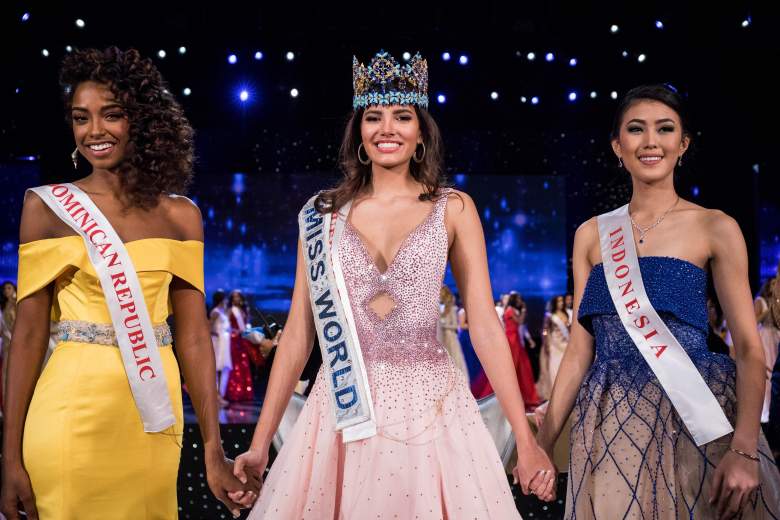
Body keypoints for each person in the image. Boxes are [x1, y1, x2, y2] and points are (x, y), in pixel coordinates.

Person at [230, 51, 556, 518]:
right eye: (374, 117)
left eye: (402, 116)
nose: (387, 128)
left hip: (432, 412)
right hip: (341, 411)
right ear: (359, 133)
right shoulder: (320, 214)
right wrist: (260, 446)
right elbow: (300, 336)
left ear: (420, 131)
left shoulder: (454, 207)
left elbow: (484, 326)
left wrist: (525, 443)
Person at [0, 47, 256, 520]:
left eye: (111, 115)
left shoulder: (182, 216)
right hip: (68, 416)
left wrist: (213, 447)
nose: (94, 131)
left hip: (152, 420)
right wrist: (9, 458)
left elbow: (195, 337)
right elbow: (29, 337)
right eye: (82, 118)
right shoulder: (48, 208)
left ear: (141, 120)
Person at [537, 84, 780, 518]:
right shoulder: (591, 234)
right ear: (618, 145)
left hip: (693, 415)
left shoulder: (714, 226)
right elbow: (579, 348)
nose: (650, 141)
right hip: (610, 416)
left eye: (664, 129)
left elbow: (747, 345)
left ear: (682, 144)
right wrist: (541, 446)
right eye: (636, 129)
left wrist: (744, 449)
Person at [537, 295, 570, 400]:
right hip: (555, 345)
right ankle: (555, 394)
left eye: (562, 301)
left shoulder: (566, 314)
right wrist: (546, 343)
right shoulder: (550, 316)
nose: (561, 303)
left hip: (565, 343)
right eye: (558, 301)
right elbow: (545, 331)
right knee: (555, 367)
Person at [437, 285, 469, 380]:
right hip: (440, 338)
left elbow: (455, 325)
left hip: (450, 338)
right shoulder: (437, 308)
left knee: (454, 360)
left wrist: (443, 325)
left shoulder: (452, 309)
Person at [209, 289, 232, 407]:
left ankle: (219, 395)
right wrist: (217, 334)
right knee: (217, 369)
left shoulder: (222, 311)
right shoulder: (216, 312)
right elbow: (209, 326)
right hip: (218, 343)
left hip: (223, 343)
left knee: (221, 369)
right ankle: (216, 396)